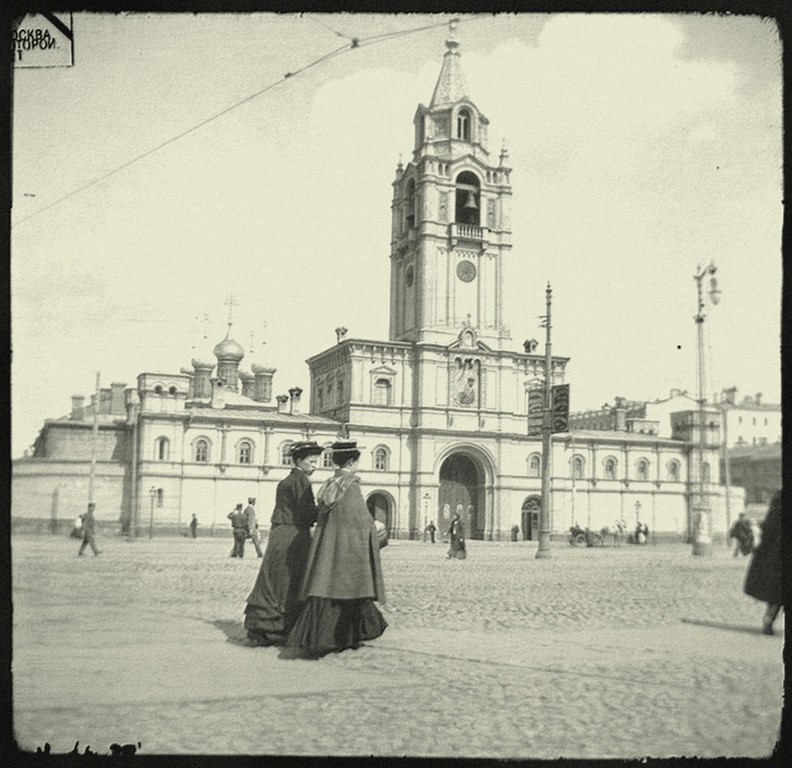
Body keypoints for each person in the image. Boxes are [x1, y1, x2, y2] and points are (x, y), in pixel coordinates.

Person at [280, 441, 387, 659]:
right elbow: (358, 519)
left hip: (329, 550)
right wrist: (376, 528)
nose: (358, 465)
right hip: (346, 552)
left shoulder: (330, 483)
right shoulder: (350, 486)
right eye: (357, 461)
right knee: (349, 590)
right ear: (350, 461)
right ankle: (337, 638)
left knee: (328, 588)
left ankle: (341, 637)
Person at [244, 441, 324, 646]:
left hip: (279, 534)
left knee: (272, 578)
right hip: (293, 535)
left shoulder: (287, 480)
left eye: (316, 462)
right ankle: (278, 629)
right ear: (299, 461)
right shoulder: (301, 482)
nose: (315, 465)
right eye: (311, 461)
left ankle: (260, 628)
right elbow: (306, 513)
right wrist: (325, 507)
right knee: (289, 580)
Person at [744, 491, 783, 635]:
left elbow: (768, 528)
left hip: (776, 555)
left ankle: (768, 620)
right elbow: (769, 529)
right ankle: (768, 620)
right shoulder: (780, 500)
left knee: (777, 595)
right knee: (778, 594)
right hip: (779, 556)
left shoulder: (778, 501)